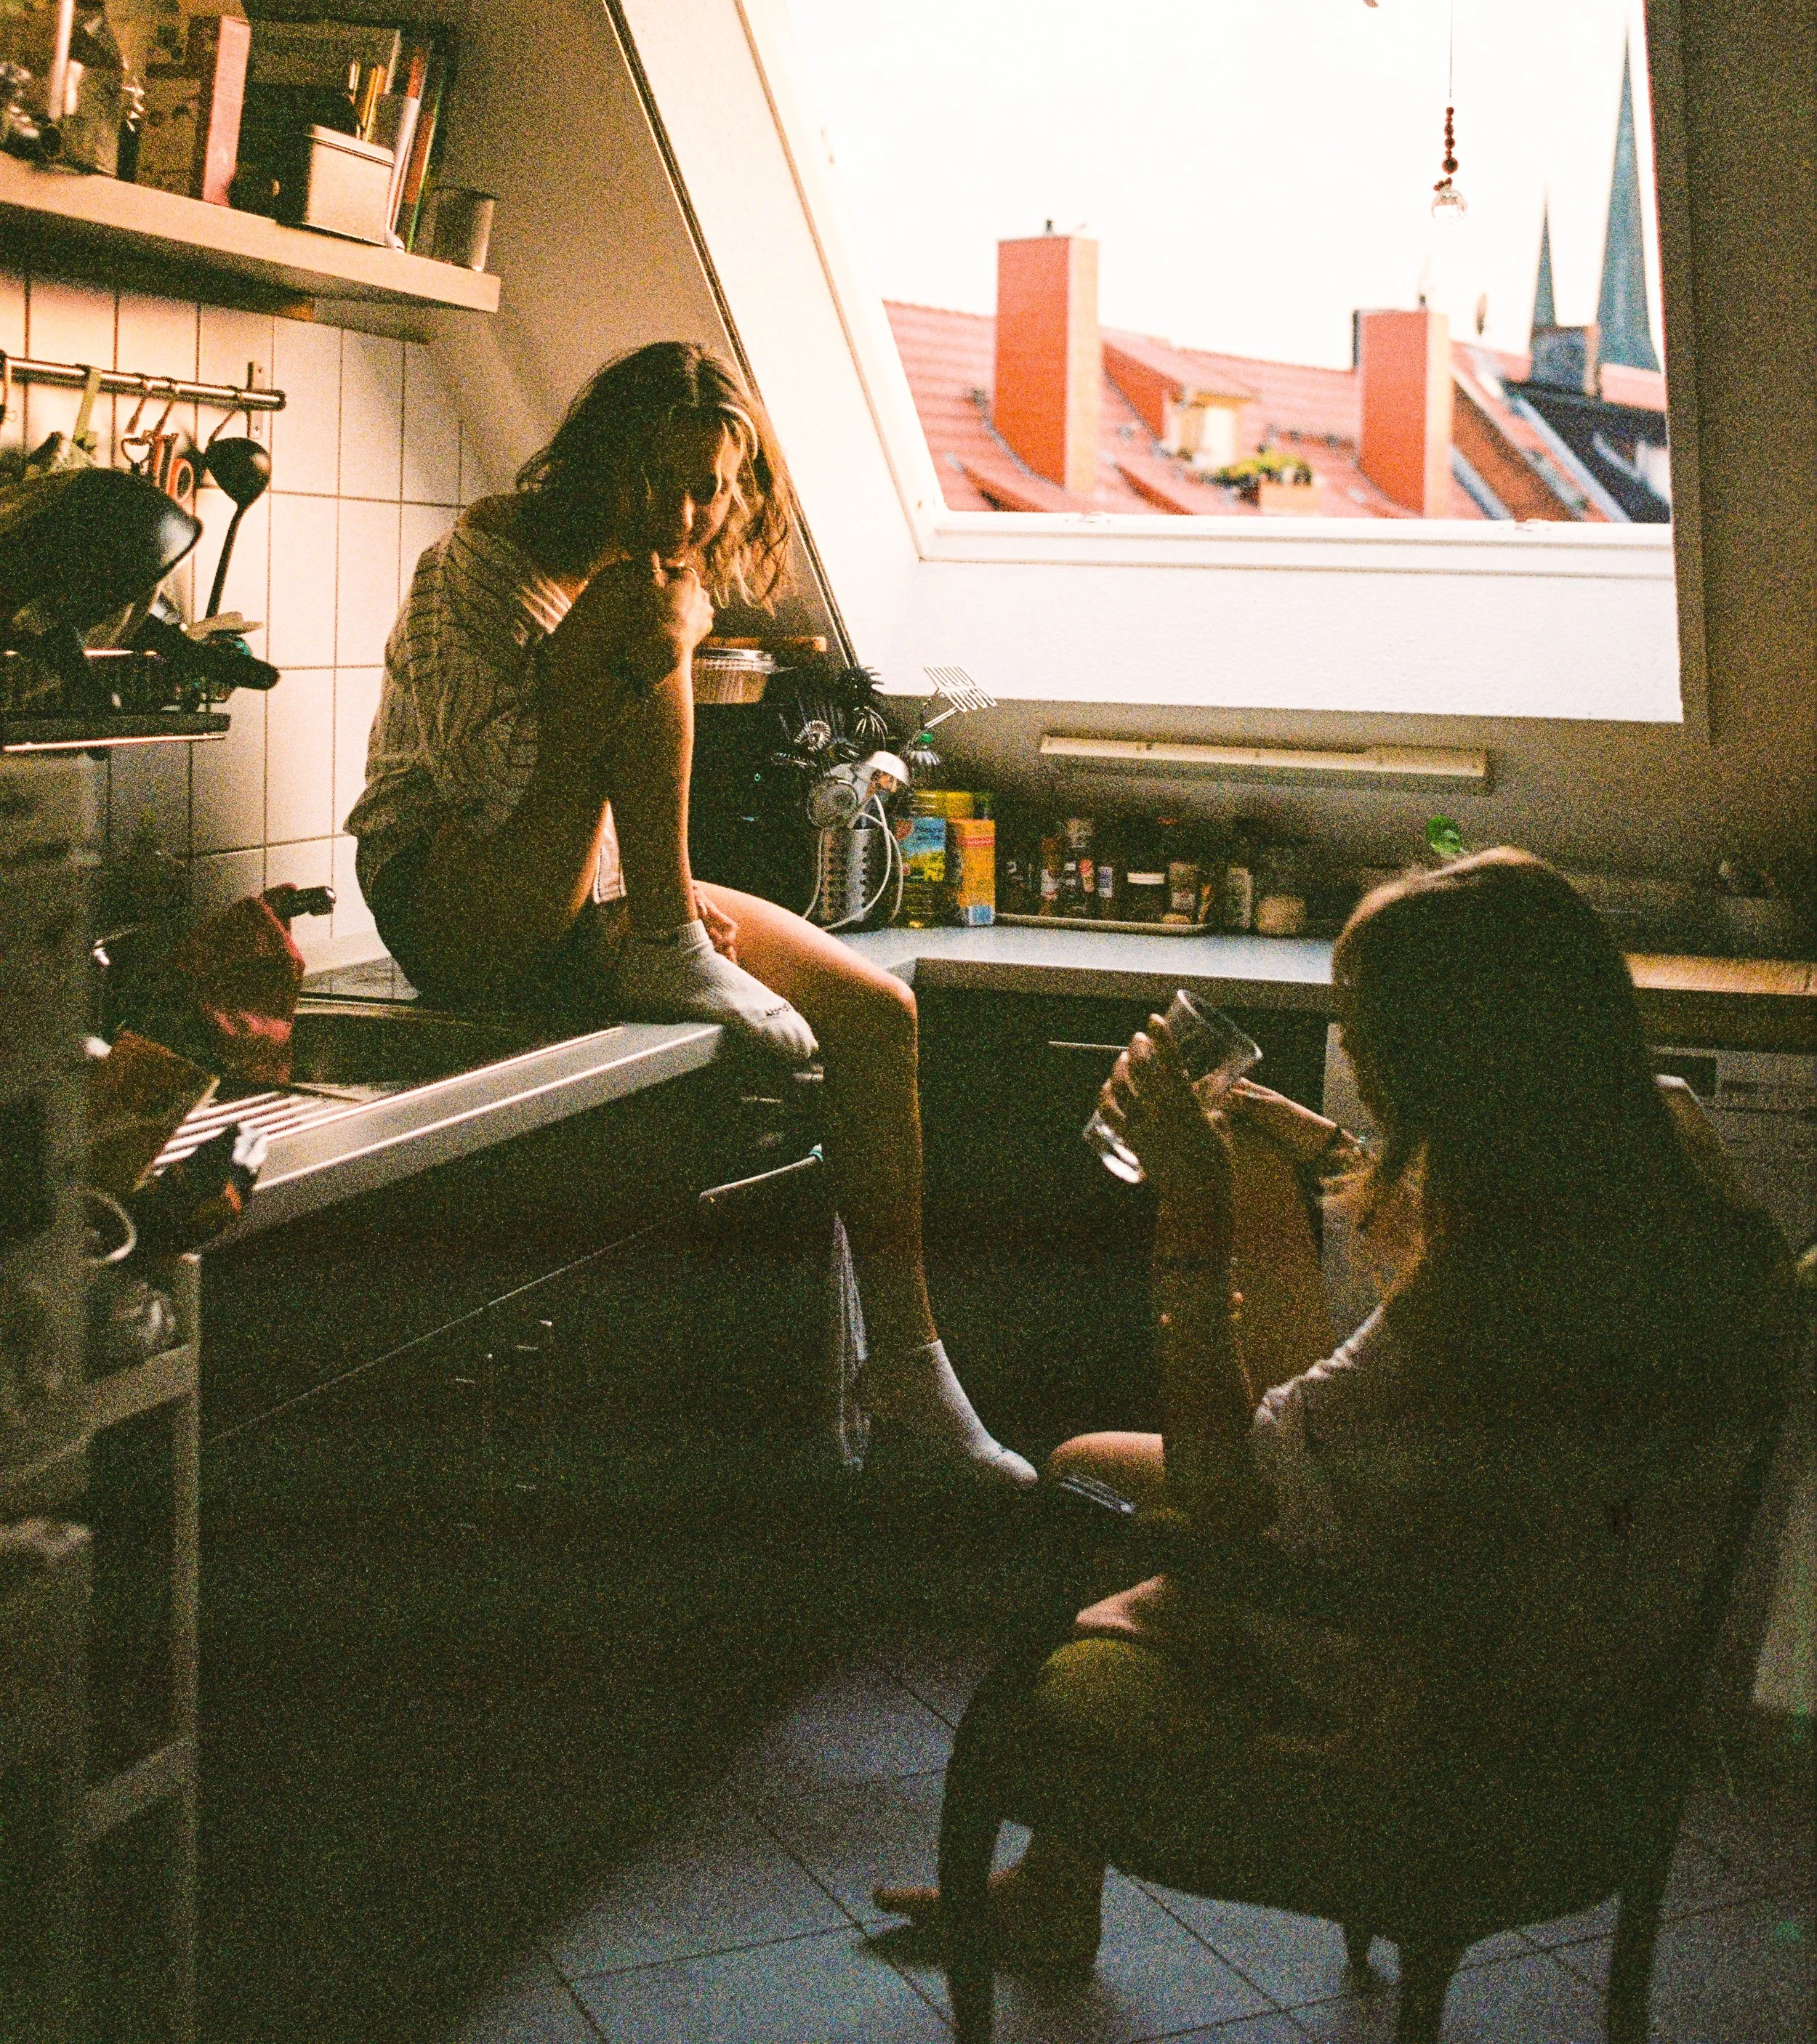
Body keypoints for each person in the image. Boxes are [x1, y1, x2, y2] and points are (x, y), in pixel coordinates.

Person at [877, 848, 1796, 1970]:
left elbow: (1228, 1484)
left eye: (1367, 1023)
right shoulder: (1663, 1144)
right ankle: (1063, 1877)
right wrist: (1316, 1145)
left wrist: (1195, 1213)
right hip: (1594, 1654)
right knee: (1137, 1459)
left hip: (1455, 1672)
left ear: (1454, 1059)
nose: (1350, 1039)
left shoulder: (1487, 1287)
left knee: (1090, 1481)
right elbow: (1409, 1328)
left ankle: (1072, 1829)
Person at [347, 340, 1034, 1492]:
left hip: (592, 892)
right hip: (449, 888)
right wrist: (637, 657)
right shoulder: (478, 563)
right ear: (599, 458)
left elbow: (597, 802)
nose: (685, 508)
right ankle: (667, 940)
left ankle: (912, 1368)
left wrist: (631, 892)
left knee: (877, 1015)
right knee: (649, 605)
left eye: (709, 484)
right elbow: (492, 795)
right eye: (658, 478)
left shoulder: (634, 565)